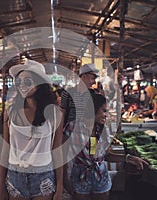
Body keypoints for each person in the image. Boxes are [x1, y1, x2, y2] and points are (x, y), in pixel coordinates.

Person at [0, 60, 64, 200]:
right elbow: (5, 148)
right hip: (15, 175)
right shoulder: (10, 112)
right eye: (19, 82)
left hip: (43, 176)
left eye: (27, 82)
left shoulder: (54, 113)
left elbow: (57, 150)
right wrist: (0, 184)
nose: (22, 85)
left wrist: (60, 186)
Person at [64, 93, 149, 200]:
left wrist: (129, 158)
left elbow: (106, 156)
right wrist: (64, 180)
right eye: (104, 111)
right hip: (80, 175)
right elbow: (62, 155)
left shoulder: (103, 129)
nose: (106, 115)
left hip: (100, 174)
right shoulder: (73, 127)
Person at [60, 63, 99, 193]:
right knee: (71, 163)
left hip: (90, 134)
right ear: (84, 76)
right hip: (70, 134)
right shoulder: (68, 93)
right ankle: (71, 187)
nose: (94, 82)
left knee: (91, 158)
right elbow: (62, 114)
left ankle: (90, 182)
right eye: (92, 78)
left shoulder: (94, 94)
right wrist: (59, 136)